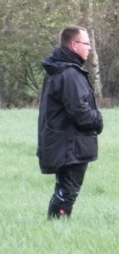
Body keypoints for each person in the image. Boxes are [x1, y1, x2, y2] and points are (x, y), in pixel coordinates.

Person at [37, 26, 104, 219]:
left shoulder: (59, 69)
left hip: (63, 141)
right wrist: (98, 120)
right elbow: (79, 111)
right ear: (74, 45)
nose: (89, 48)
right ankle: (57, 226)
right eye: (86, 43)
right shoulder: (69, 74)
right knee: (67, 191)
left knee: (65, 189)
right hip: (70, 143)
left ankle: (56, 226)